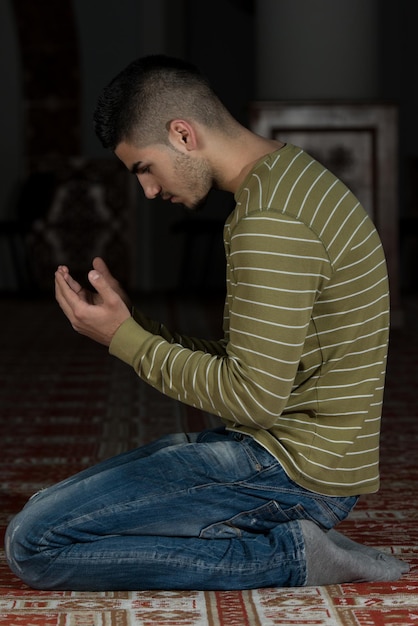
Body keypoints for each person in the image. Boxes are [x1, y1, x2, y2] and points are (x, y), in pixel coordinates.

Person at [5, 54, 409, 591]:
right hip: (295, 457)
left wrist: (124, 342)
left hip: (291, 474)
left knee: (33, 544)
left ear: (182, 134)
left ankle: (291, 554)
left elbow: (251, 398)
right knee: (48, 506)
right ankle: (281, 536)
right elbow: (250, 361)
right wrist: (134, 324)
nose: (148, 191)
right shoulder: (292, 178)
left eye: (143, 168)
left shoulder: (268, 222)